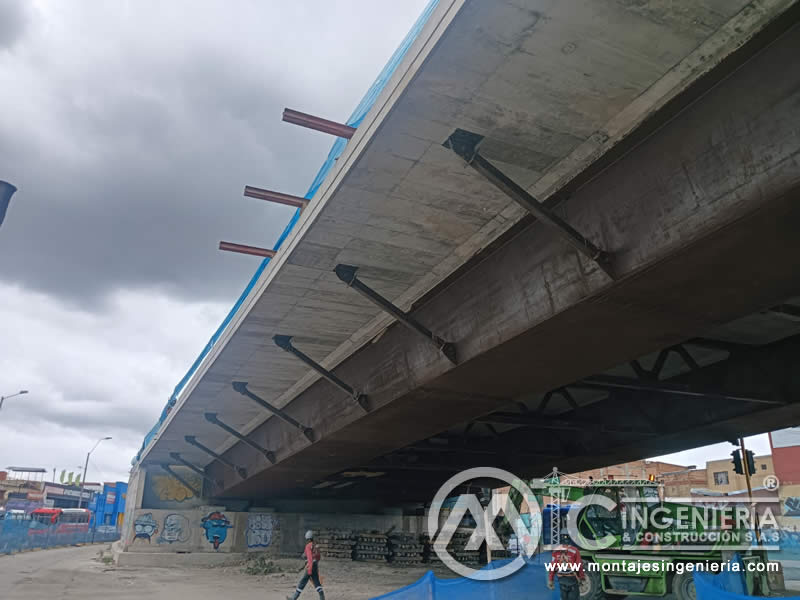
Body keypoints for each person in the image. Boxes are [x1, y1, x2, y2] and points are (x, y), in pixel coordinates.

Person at [287, 530, 325, 600]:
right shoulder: (315, 545)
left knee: (302, 582)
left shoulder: (308, 546)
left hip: (310, 567)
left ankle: (294, 598)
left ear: (307, 538)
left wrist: (310, 569)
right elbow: (318, 557)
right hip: (315, 566)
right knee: (316, 582)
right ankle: (322, 597)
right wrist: (315, 565)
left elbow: (309, 558)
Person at [547, 534, 586, 600]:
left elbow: (552, 566)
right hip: (572, 580)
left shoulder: (555, 551)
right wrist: (582, 578)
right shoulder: (575, 550)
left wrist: (550, 580)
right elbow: (579, 566)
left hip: (561, 581)